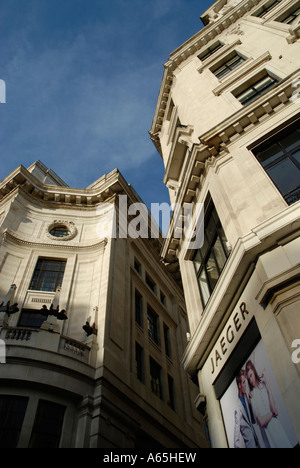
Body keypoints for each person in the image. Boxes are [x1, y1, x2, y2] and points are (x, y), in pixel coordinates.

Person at [245, 360, 293, 448]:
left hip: (277, 427)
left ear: (254, 372)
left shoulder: (263, 385)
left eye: (251, 375)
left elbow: (273, 406)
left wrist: (267, 381)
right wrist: (272, 413)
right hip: (268, 434)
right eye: (248, 378)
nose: (251, 380)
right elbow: (261, 422)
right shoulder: (252, 396)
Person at [234, 369, 260, 448]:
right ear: (239, 386)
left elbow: (253, 421)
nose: (245, 385)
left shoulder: (246, 399)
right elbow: (236, 438)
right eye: (243, 382)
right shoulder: (237, 409)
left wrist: (250, 402)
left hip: (256, 442)